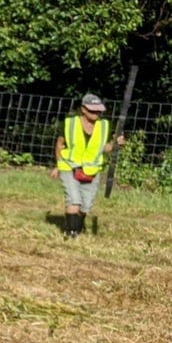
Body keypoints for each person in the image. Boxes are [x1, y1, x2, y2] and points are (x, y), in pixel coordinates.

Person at [50, 94, 120, 238]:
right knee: (74, 200)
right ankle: (71, 232)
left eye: (99, 111)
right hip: (69, 167)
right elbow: (60, 144)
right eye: (93, 111)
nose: (96, 114)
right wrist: (58, 165)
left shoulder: (104, 126)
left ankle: (78, 226)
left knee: (85, 205)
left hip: (92, 170)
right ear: (83, 109)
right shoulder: (70, 123)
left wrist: (116, 144)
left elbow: (104, 148)